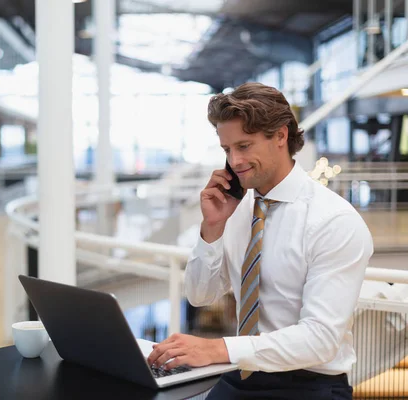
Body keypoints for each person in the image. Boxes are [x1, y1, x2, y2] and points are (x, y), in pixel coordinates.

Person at [147, 83, 373, 399]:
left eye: (244, 146)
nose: (235, 161)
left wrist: (217, 348)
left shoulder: (334, 221)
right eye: (227, 150)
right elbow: (200, 295)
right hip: (242, 374)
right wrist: (212, 227)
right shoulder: (237, 210)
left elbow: (320, 339)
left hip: (310, 384)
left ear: (281, 136)